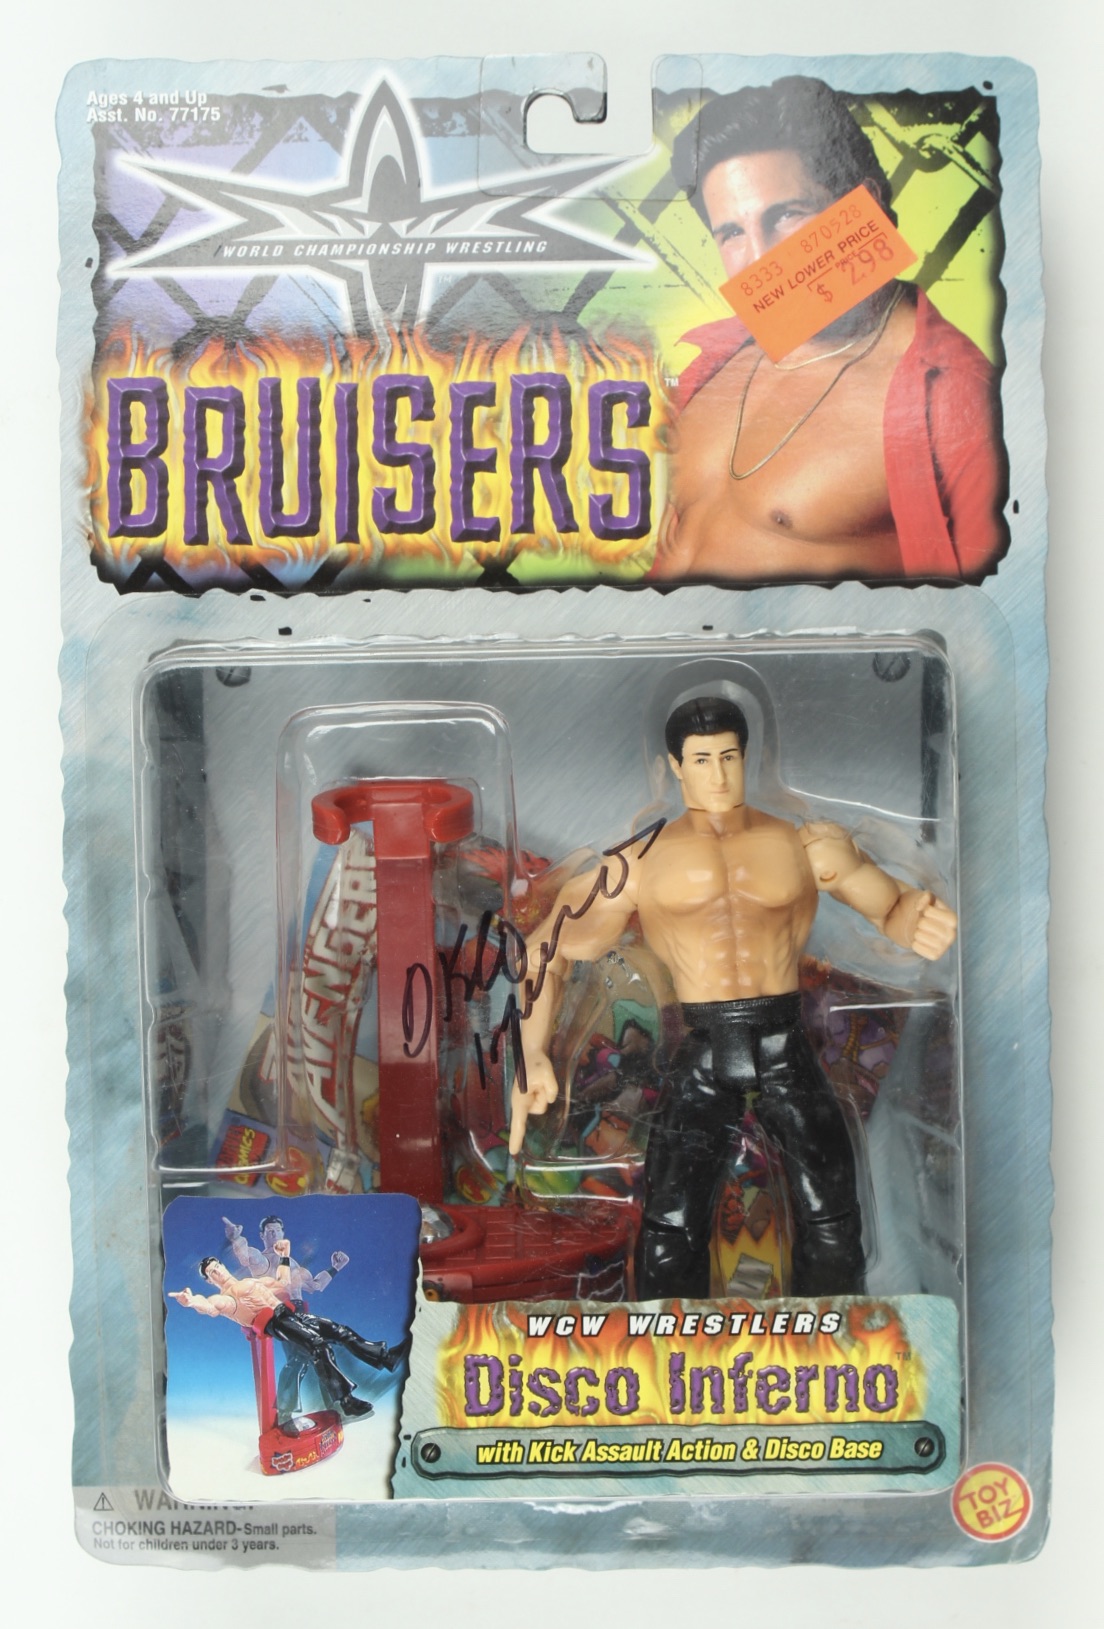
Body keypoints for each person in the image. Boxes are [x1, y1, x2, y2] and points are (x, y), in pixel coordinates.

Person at [509, 694, 957, 1299]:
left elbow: (892, 906)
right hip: (703, 1045)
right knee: (670, 1225)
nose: (718, 775)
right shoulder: (639, 863)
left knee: (832, 1217)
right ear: (676, 766)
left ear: (746, 756)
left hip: (783, 1042)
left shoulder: (808, 846)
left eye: (728, 757)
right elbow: (546, 949)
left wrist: (917, 918)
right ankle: (672, 1341)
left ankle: (833, 1333)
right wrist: (532, 1053)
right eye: (701, 760)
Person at [653, 77, 1007, 585]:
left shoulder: (952, 396)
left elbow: (982, 604)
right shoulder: (717, 360)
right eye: (732, 232)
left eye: (786, 215)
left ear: (866, 207)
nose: (761, 259)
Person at [169, 1238, 405, 1420]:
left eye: (217, 1266)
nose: (218, 1271)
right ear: (210, 1281)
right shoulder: (224, 1298)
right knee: (318, 1346)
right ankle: (345, 1402)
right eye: (212, 1272)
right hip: (275, 1323)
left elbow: (282, 1282)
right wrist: (191, 1302)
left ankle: (385, 1357)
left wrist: (284, 1256)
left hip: (289, 1314)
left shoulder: (250, 1282)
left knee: (339, 1331)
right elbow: (210, 1307)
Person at [223, 1214, 350, 1417]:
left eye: (277, 1230)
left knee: (321, 1354)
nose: (274, 1234)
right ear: (262, 1236)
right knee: (301, 1357)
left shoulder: (293, 1263)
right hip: (282, 1314)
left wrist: (334, 1268)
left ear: (283, 1233)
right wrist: (236, 1238)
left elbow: (315, 1286)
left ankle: (335, 1406)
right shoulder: (263, 1261)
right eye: (269, 1231)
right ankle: (284, 1412)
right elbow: (246, 1256)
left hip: (300, 1313)